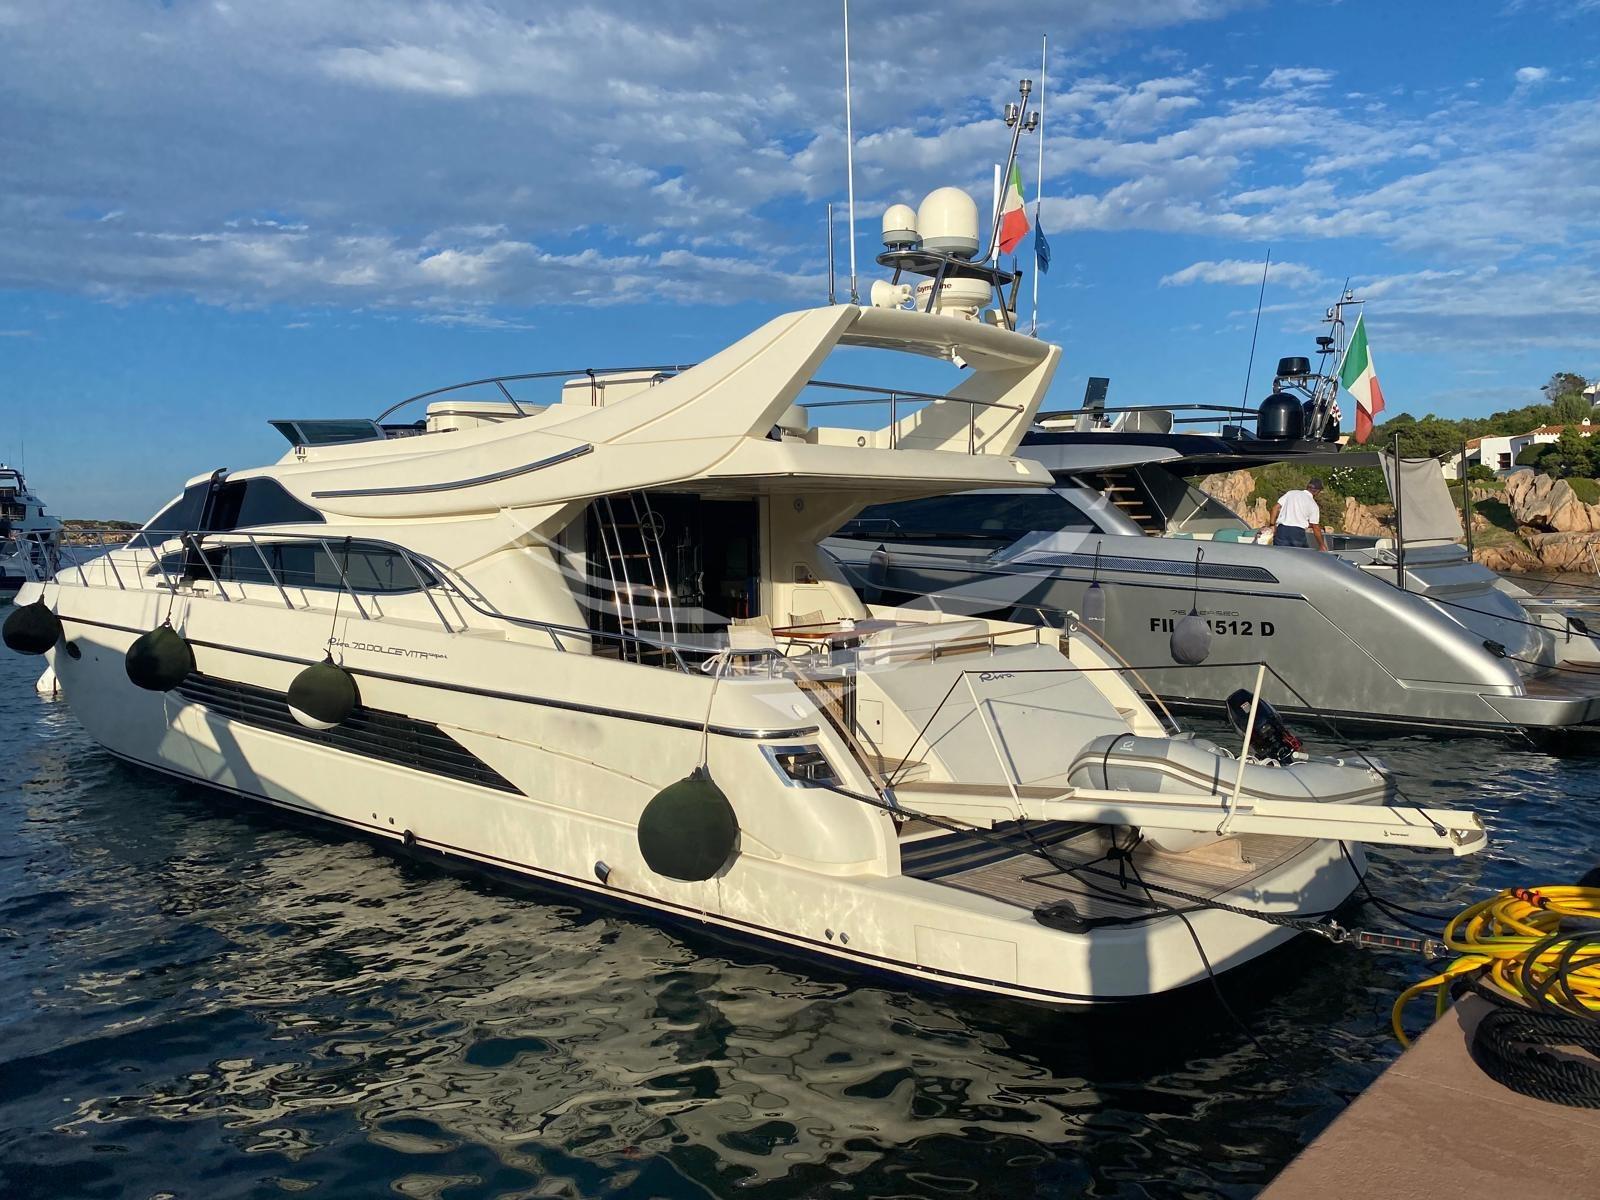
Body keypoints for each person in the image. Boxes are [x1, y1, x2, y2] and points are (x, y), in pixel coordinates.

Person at [1270, 478, 1327, 550]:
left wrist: (1272, 525)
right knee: (1300, 555)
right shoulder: (1313, 505)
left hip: (1282, 531)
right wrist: (1322, 545)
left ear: (1307, 486)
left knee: (1280, 554)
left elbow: (1274, 508)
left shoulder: (1291, 493)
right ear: (1317, 491)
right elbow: (1315, 527)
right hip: (1297, 533)